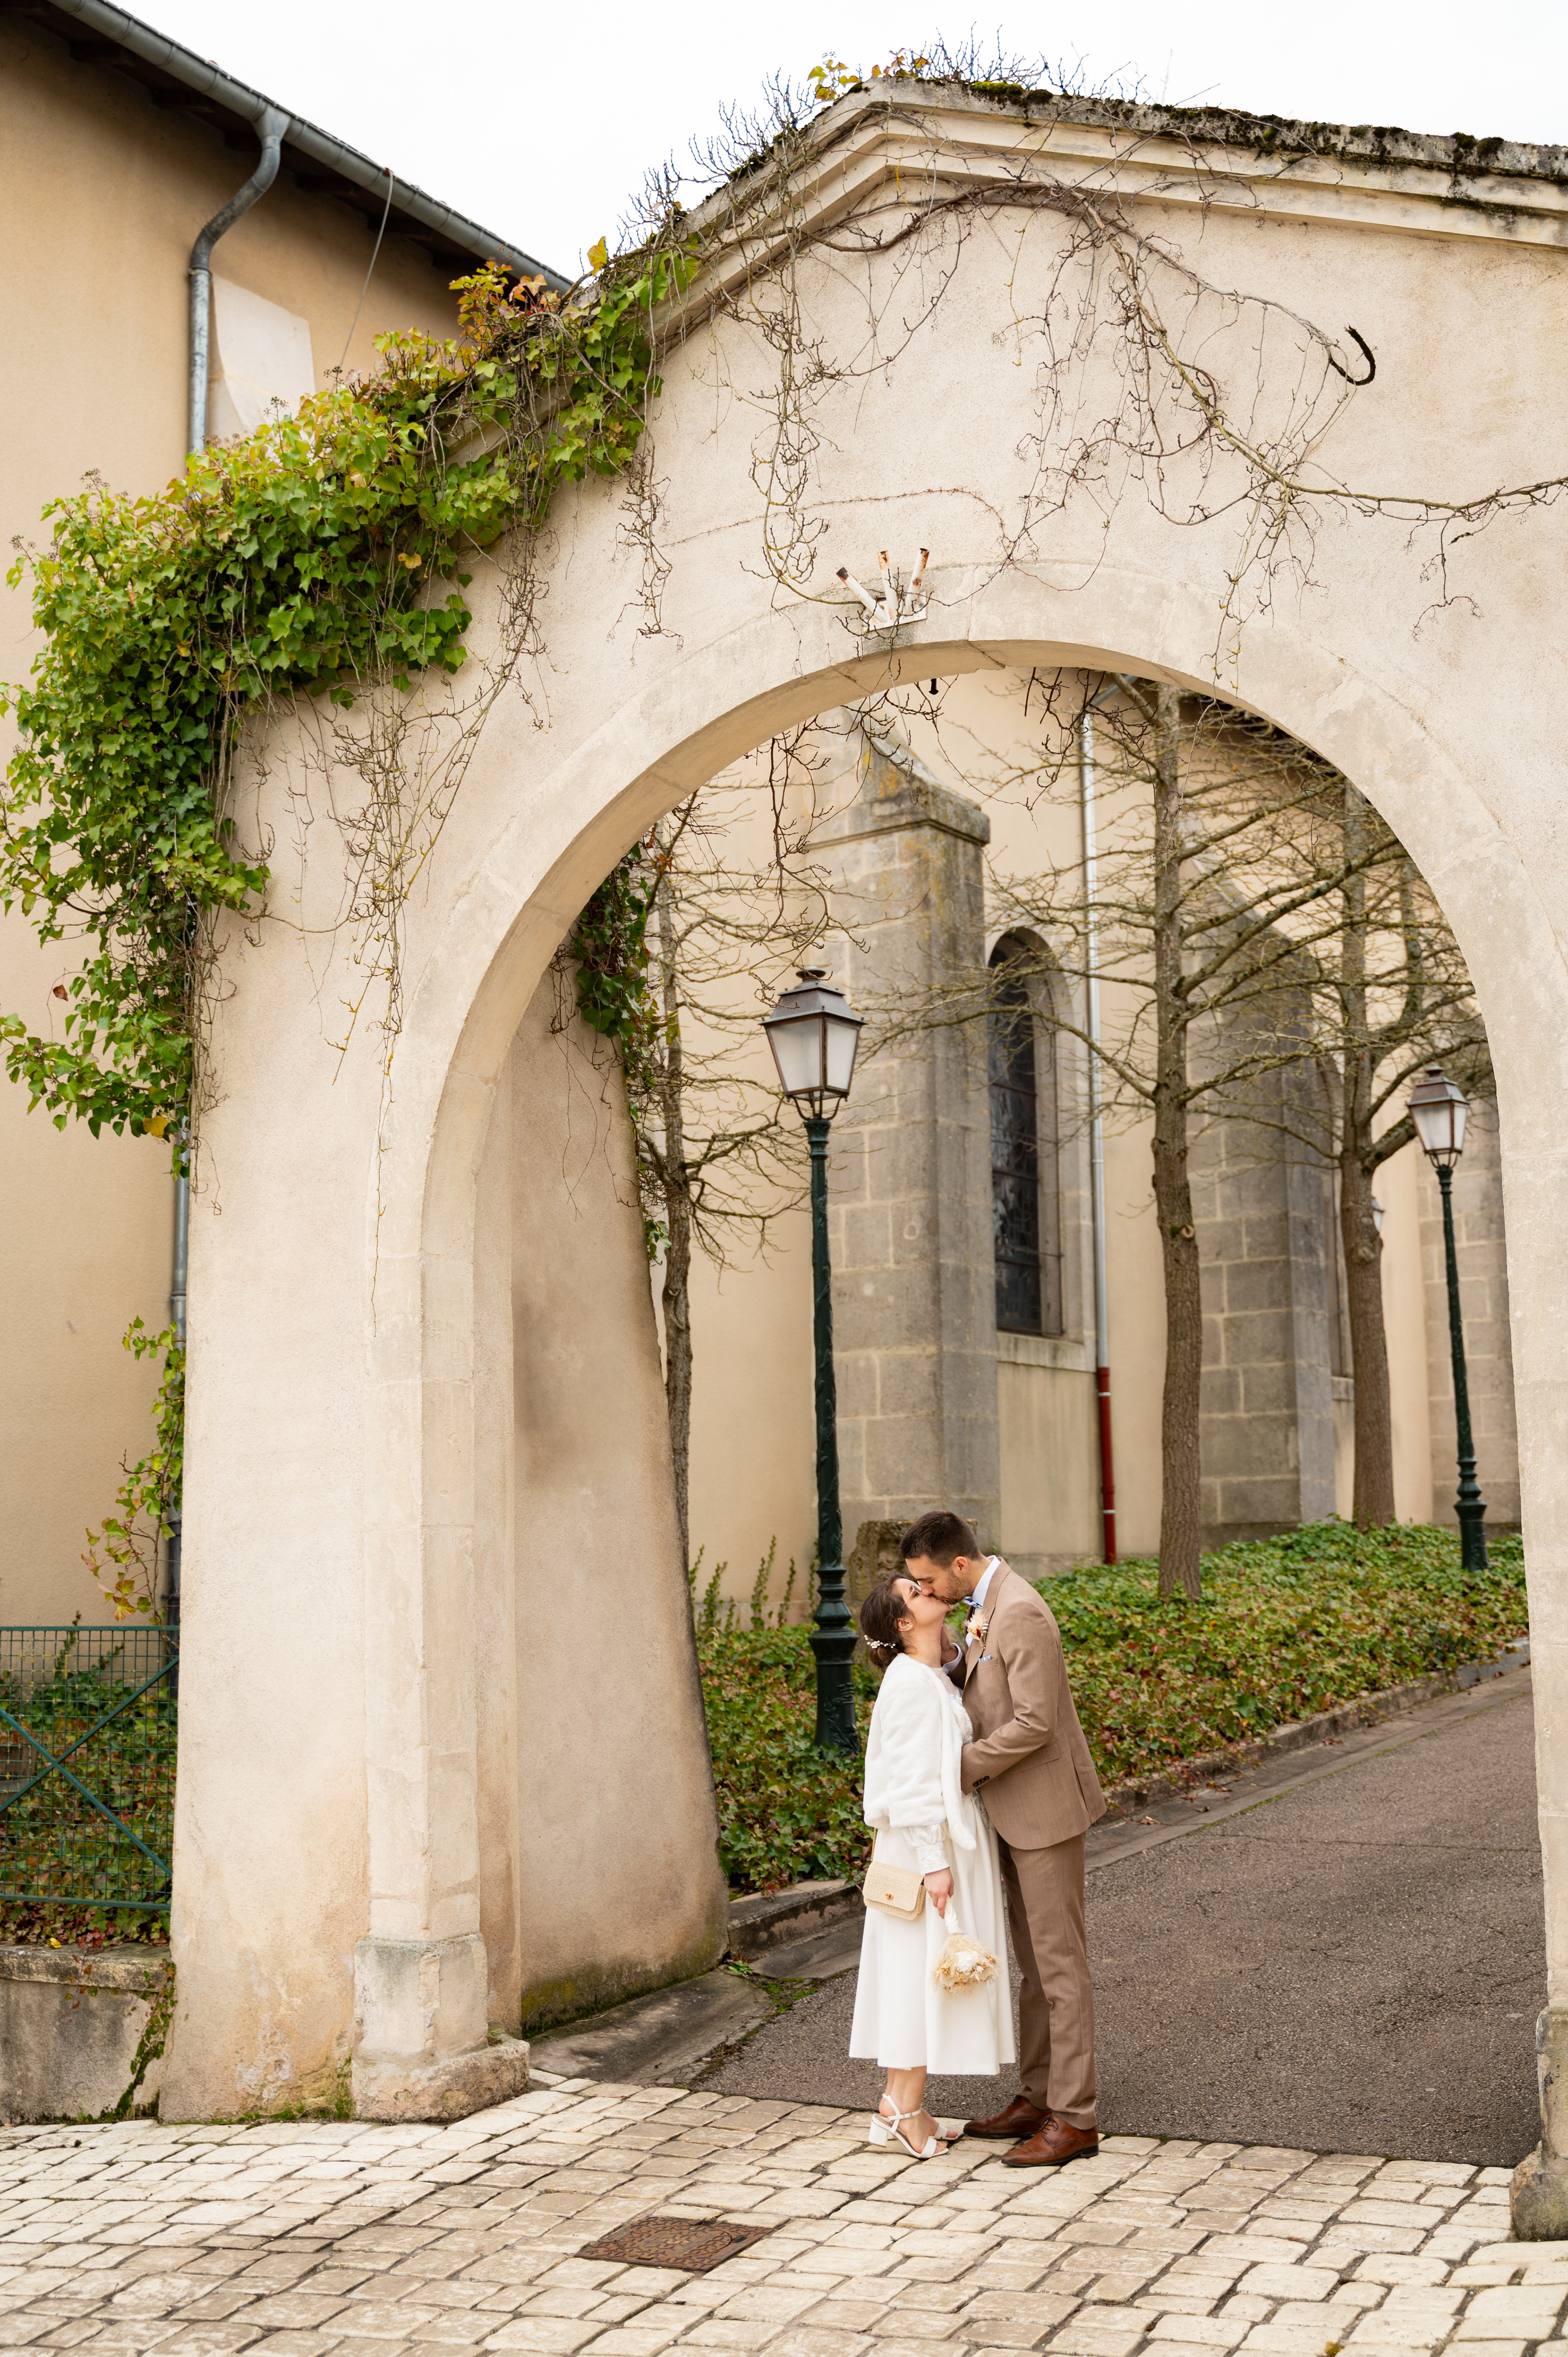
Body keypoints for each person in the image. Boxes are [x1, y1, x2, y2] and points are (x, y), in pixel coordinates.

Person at [901, 1507, 1106, 2167]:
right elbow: (990, 1691)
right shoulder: (986, 1605)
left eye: (930, 1583)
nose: (927, 1594)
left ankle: (1075, 2119)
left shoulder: (1019, 1610)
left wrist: (957, 1769)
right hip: (1010, 1812)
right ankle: (1041, 2093)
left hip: (1043, 1812)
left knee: (1059, 1966)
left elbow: (1036, 1723)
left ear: (960, 1565)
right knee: (1032, 1965)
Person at [848, 1573, 1014, 2159]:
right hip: (927, 1850)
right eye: (915, 1593)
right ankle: (905, 2110)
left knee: (915, 1974)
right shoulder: (911, 1686)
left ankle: (896, 2105)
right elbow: (912, 1783)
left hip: (934, 1845)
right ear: (901, 1623)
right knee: (923, 1975)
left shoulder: (926, 1677)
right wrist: (933, 1865)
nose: (928, 1590)